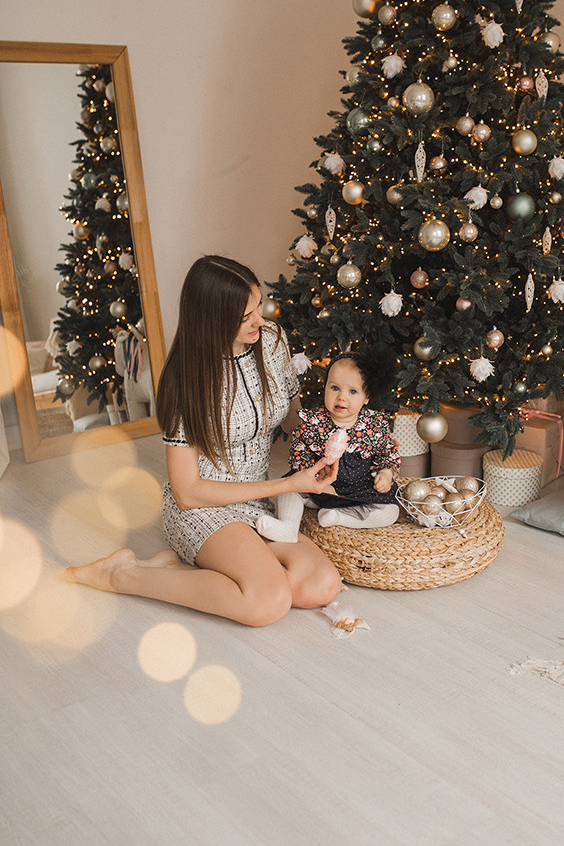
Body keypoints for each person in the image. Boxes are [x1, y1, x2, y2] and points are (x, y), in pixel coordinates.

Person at [65, 255, 342, 627]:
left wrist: (334, 445)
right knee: (267, 604)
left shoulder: (272, 340)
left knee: (321, 585)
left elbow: (292, 419)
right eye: (246, 317)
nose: (260, 320)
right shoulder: (186, 382)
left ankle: (187, 568)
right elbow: (187, 492)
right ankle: (122, 575)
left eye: (258, 305)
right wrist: (290, 483)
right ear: (213, 320)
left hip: (257, 500)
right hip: (202, 508)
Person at [256, 346, 401, 543]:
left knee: (390, 512)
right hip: (317, 489)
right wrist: (312, 477)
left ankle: (338, 518)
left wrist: (386, 473)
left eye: (352, 391)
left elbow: (387, 453)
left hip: (359, 492)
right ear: (325, 388)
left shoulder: (373, 425)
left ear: (366, 397)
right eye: (334, 388)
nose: (342, 397)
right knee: (288, 487)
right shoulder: (314, 422)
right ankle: (288, 527)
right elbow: (299, 453)